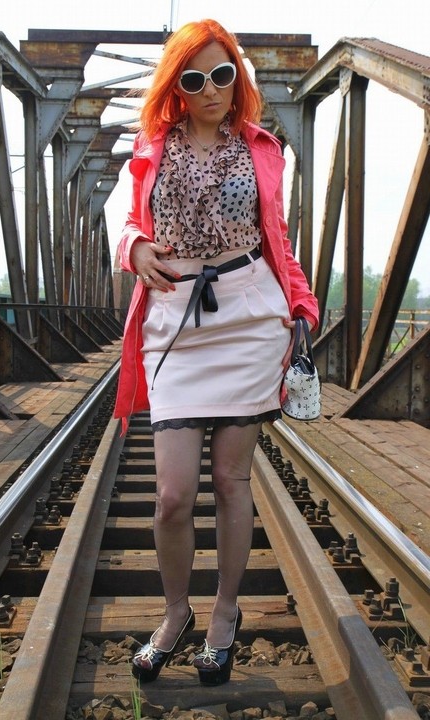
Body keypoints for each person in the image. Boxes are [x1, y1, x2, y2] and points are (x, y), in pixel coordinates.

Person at [113, 18, 319, 686]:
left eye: (221, 75)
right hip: (176, 323)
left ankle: (224, 616)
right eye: (194, 78)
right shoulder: (149, 146)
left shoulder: (264, 147)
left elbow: (277, 235)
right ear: (177, 83)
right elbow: (128, 222)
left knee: (231, 481)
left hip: (249, 314)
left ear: (238, 78)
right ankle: (176, 613)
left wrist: (300, 308)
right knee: (172, 495)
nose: (209, 90)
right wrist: (136, 248)